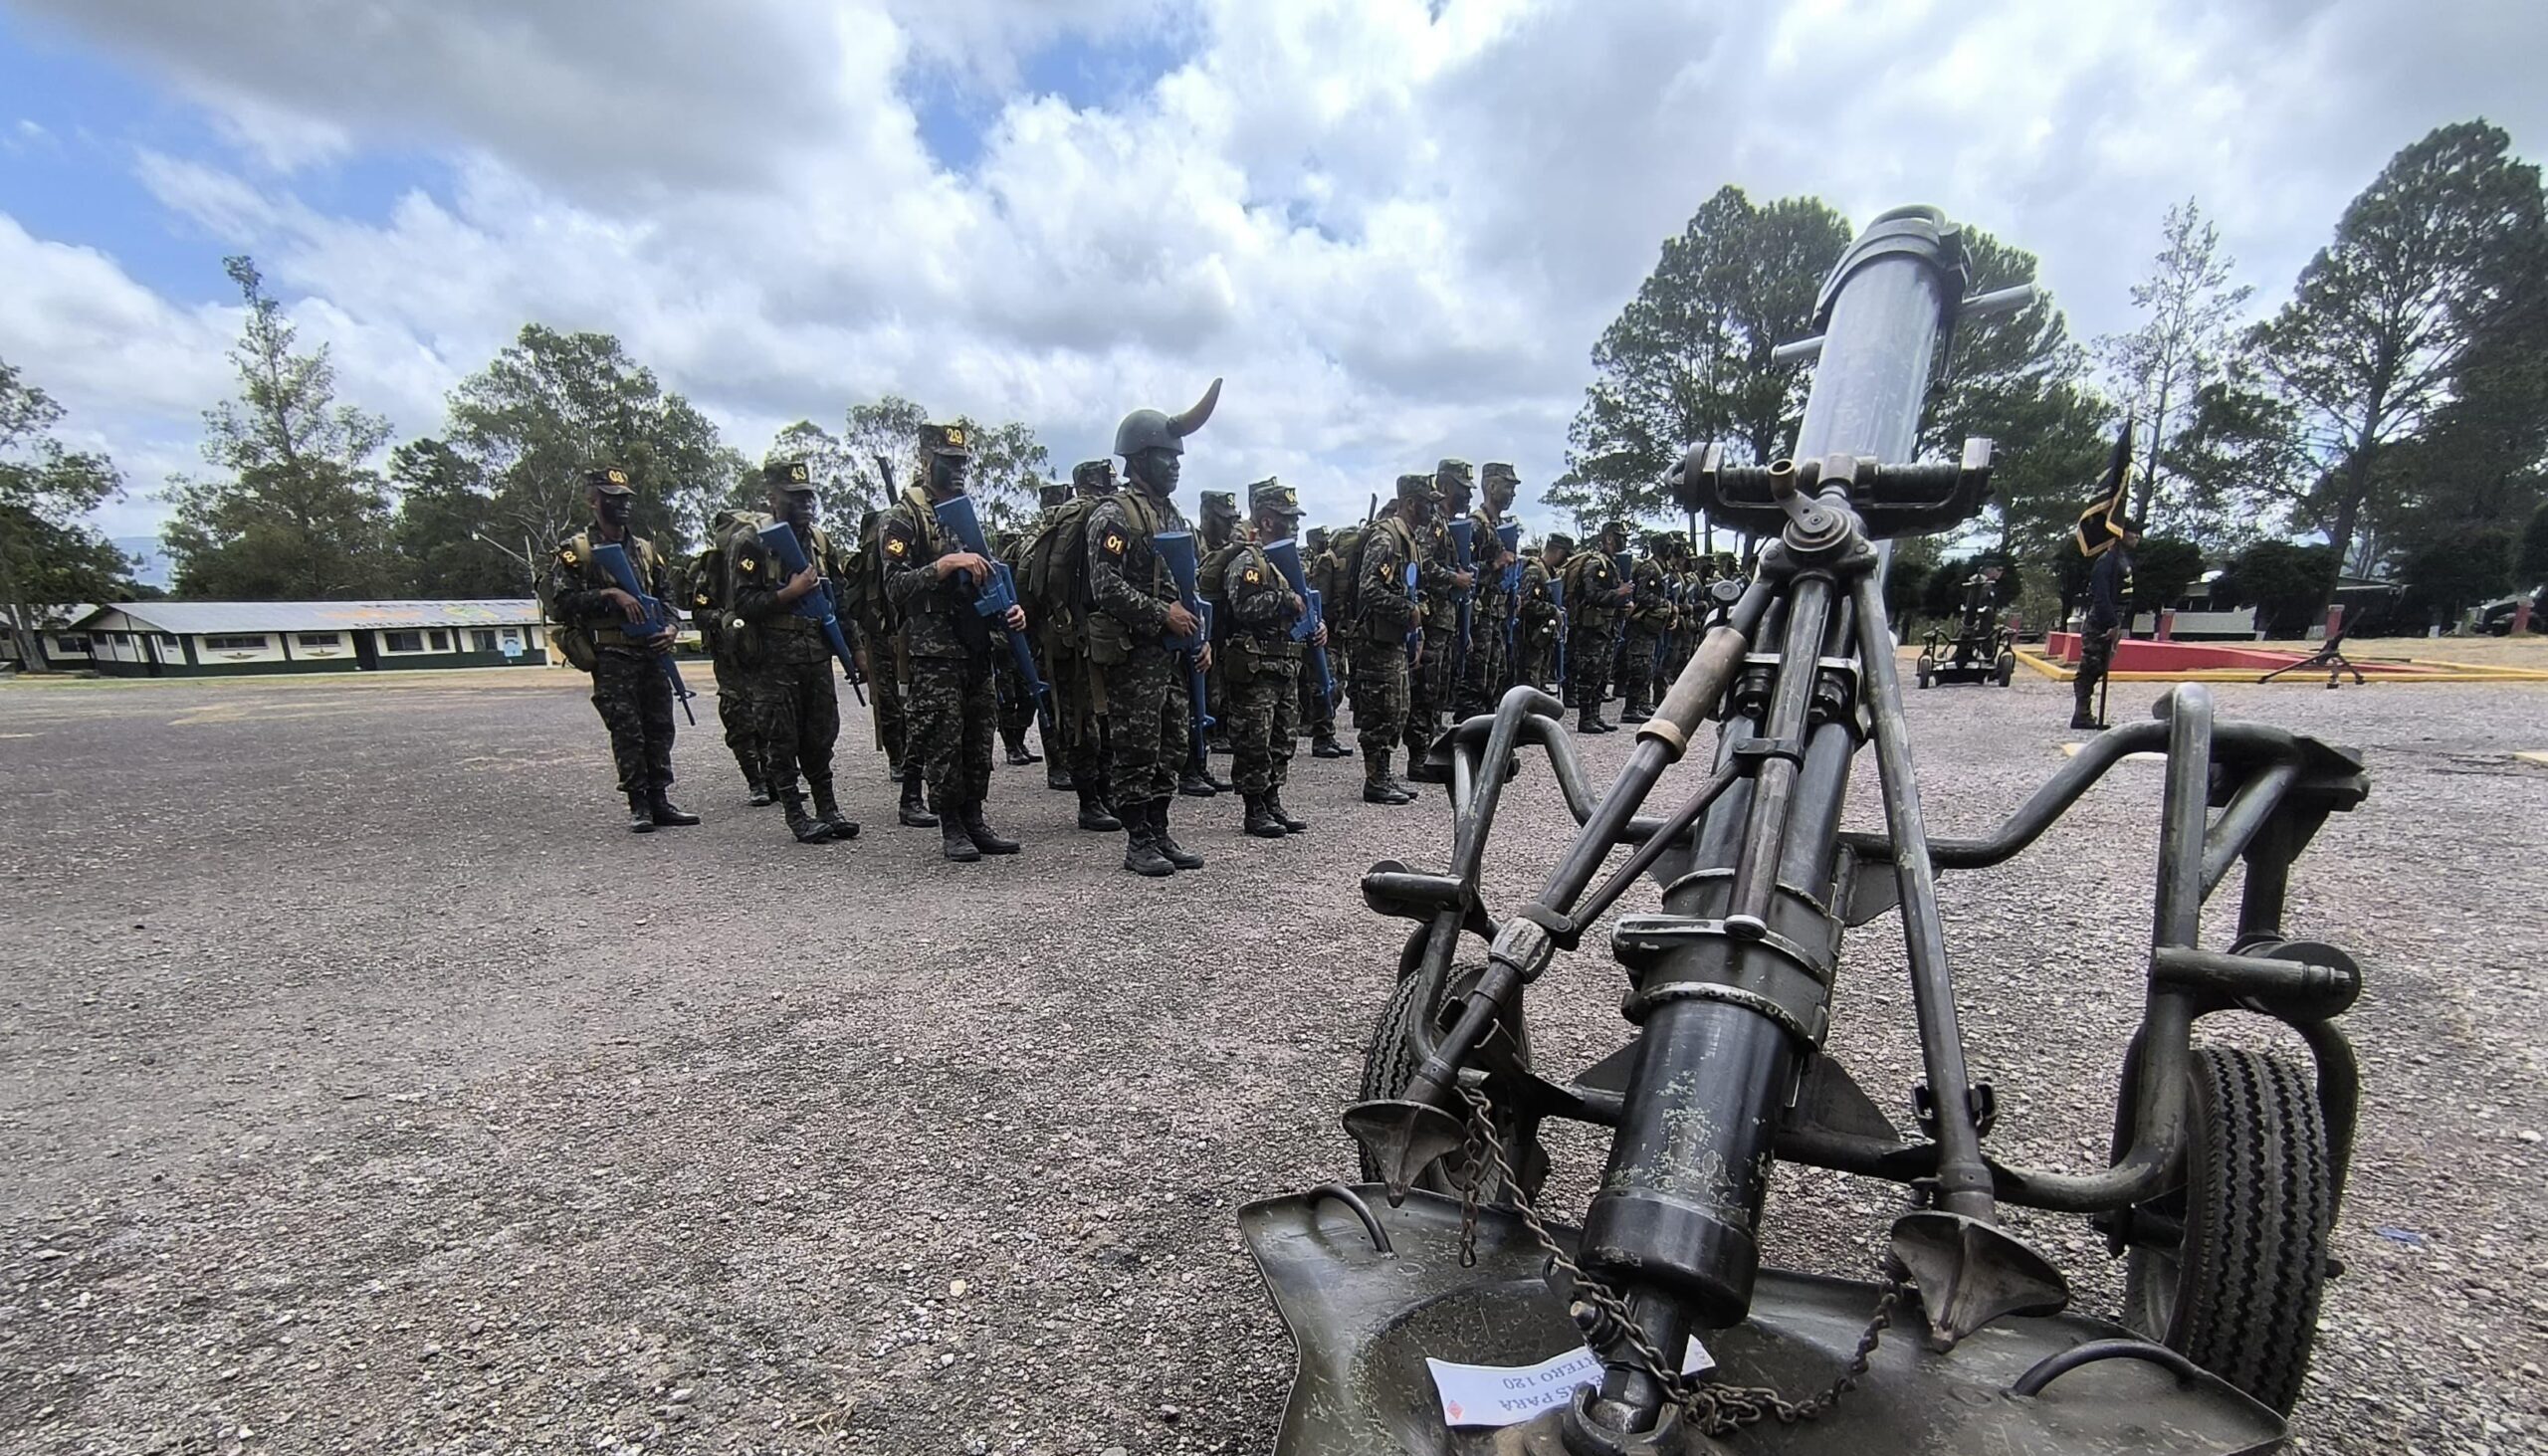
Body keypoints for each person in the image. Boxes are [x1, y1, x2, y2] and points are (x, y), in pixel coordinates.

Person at [1088, 379, 1220, 877]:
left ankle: (1159, 829)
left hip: (1173, 655)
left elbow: (1190, 587)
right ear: (1140, 459)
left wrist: (1200, 639)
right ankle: (1137, 839)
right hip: (1135, 656)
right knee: (1137, 747)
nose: (1176, 465)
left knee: (1172, 745)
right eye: (1168, 456)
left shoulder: (1174, 516)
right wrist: (1161, 613)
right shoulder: (1114, 516)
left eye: (1178, 457)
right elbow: (1105, 585)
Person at [879, 423, 1027, 862]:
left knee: (979, 739)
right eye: (949, 461)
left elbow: (990, 576)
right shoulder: (903, 518)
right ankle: (952, 826)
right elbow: (894, 587)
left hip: (976, 644)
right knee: (943, 740)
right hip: (935, 652)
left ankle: (975, 819)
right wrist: (942, 566)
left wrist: (1010, 611)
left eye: (962, 461)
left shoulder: (965, 515)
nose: (958, 469)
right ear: (926, 461)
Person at [544, 466, 697, 832]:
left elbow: (667, 597)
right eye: (613, 499)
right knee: (627, 730)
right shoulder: (578, 551)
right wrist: (610, 594)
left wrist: (671, 628)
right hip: (612, 654)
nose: (623, 505)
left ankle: (659, 799)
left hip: (651, 651)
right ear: (593, 502)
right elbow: (561, 603)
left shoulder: (645, 550)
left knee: (660, 727)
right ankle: (639, 804)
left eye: (626, 499)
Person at [724, 460, 860, 844]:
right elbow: (743, 603)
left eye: (808, 496)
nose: (805, 504)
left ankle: (828, 809)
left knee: (821, 735)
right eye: (795, 497)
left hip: (815, 652)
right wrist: (789, 593)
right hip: (774, 658)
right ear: (773, 498)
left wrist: (855, 649)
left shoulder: (819, 542)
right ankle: (797, 814)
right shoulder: (752, 541)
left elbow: (839, 600)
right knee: (781, 738)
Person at [1217, 479, 1323, 838]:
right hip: (1257, 666)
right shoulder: (1249, 561)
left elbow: (1305, 605)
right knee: (1254, 739)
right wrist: (1284, 600)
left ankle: (1273, 799)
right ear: (1266, 521)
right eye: (1286, 518)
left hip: (1285, 664)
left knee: (1282, 737)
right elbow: (1243, 606)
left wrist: (1316, 626)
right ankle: (1254, 808)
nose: (1294, 525)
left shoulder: (1287, 562)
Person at [1022, 461, 1123, 831]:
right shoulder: (1087, 517)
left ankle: (1100, 795)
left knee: (1094, 718)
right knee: (1084, 720)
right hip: (1076, 637)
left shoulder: (1073, 518)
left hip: (1080, 634)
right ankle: (1090, 801)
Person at [843, 506, 928, 825]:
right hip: (880, 634)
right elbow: (856, 602)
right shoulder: (870, 559)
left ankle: (911, 762)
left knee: (913, 702)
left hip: (908, 631)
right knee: (890, 703)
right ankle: (898, 759)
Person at [1353, 474, 1433, 803]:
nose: (1432, 509)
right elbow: (1368, 588)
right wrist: (1406, 610)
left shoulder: (1409, 540)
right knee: (1382, 710)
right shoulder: (1386, 538)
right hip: (1376, 640)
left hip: (1396, 639)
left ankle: (1383, 775)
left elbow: (1415, 590)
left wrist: (1418, 626)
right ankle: (1375, 780)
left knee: (1398, 709)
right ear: (1411, 503)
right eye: (1427, 503)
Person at [690, 507, 770, 805]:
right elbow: (699, 612)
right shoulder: (712, 568)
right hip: (730, 654)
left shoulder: (761, 560)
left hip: (762, 650)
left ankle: (774, 777)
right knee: (738, 717)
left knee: (769, 714)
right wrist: (722, 619)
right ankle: (755, 781)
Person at [1404, 459, 1473, 780]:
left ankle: (1431, 753)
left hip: (1445, 621)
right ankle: (1418, 759)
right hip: (1431, 621)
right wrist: (1453, 578)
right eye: (1462, 488)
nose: (1467, 496)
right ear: (1446, 487)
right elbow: (1422, 564)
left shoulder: (1447, 524)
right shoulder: (1432, 523)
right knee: (1425, 690)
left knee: (1438, 690)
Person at [1456, 462, 1518, 719]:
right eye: (1508, 487)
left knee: (1494, 680)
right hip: (1478, 618)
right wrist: (1493, 565)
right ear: (1491, 487)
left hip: (1496, 616)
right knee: (1474, 684)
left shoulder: (1500, 526)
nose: (1512, 493)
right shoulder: (1475, 526)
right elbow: (1461, 571)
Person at [2073, 518, 2141, 729]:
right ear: (2120, 533)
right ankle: (2081, 714)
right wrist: (2111, 622)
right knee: (2091, 666)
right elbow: (2101, 595)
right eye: (2133, 532)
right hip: (2101, 621)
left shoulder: (2123, 560)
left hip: (2116, 618)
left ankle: (2086, 713)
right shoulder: (2106, 561)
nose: (2137, 537)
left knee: (2101, 666)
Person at [1562, 522, 1629, 733]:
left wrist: (1622, 602)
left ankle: (1595, 715)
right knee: (1590, 672)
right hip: (1592, 628)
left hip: (1607, 628)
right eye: (1620, 537)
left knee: (1602, 674)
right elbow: (1592, 595)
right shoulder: (1596, 564)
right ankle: (1585, 718)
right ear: (1609, 538)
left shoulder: (1612, 563)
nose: (1624, 541)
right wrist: (1618, 593)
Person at [1303, 523, 1355, 758]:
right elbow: (1318, 600)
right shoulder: (1327, 563)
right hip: (1327, 633)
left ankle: (1328, 734)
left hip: (1338, 633)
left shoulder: (1341, 564)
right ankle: (1321, 737)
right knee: (1324, 684)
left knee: (1337, 684)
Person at [1618, 533, 1674, 724]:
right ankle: (1631, 708)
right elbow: (1641, 595)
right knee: (1639, 666)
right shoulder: (1649, 568)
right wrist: (1665, 604)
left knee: (1647, 665)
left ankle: (1642, 702)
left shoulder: (1661, 568)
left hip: (1651, 627)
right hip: (1641, 625)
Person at [1514, 533, 1566, 693]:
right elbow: (1524, 603)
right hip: (1530, 636)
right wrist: (1552, 610)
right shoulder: (1534, 572)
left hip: (1543, 637)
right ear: (1559, 552)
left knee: (1540, 683)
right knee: (1529, 684)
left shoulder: (1549, 572)